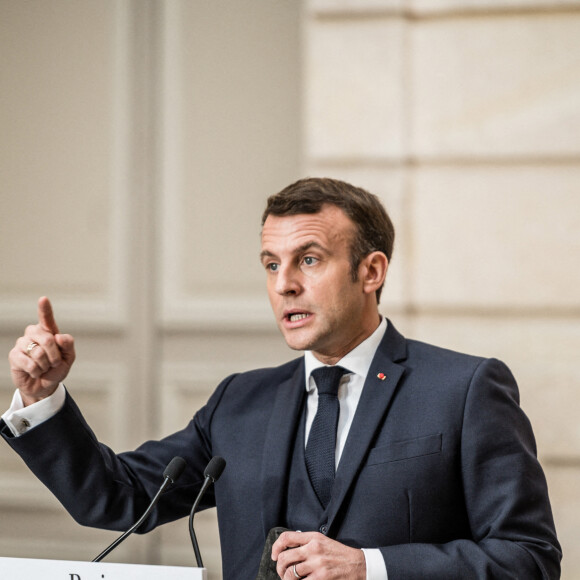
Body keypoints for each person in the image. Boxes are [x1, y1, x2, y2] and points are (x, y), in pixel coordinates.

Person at [1, 178, 561, 579]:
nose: (284, 284)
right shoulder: (239, 401)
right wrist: (41, 398)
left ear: (371, 271)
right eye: (271, 264)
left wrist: (371, 567)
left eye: (309, 260)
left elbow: (529, 558)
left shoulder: (464, 390)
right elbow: (117, 500)